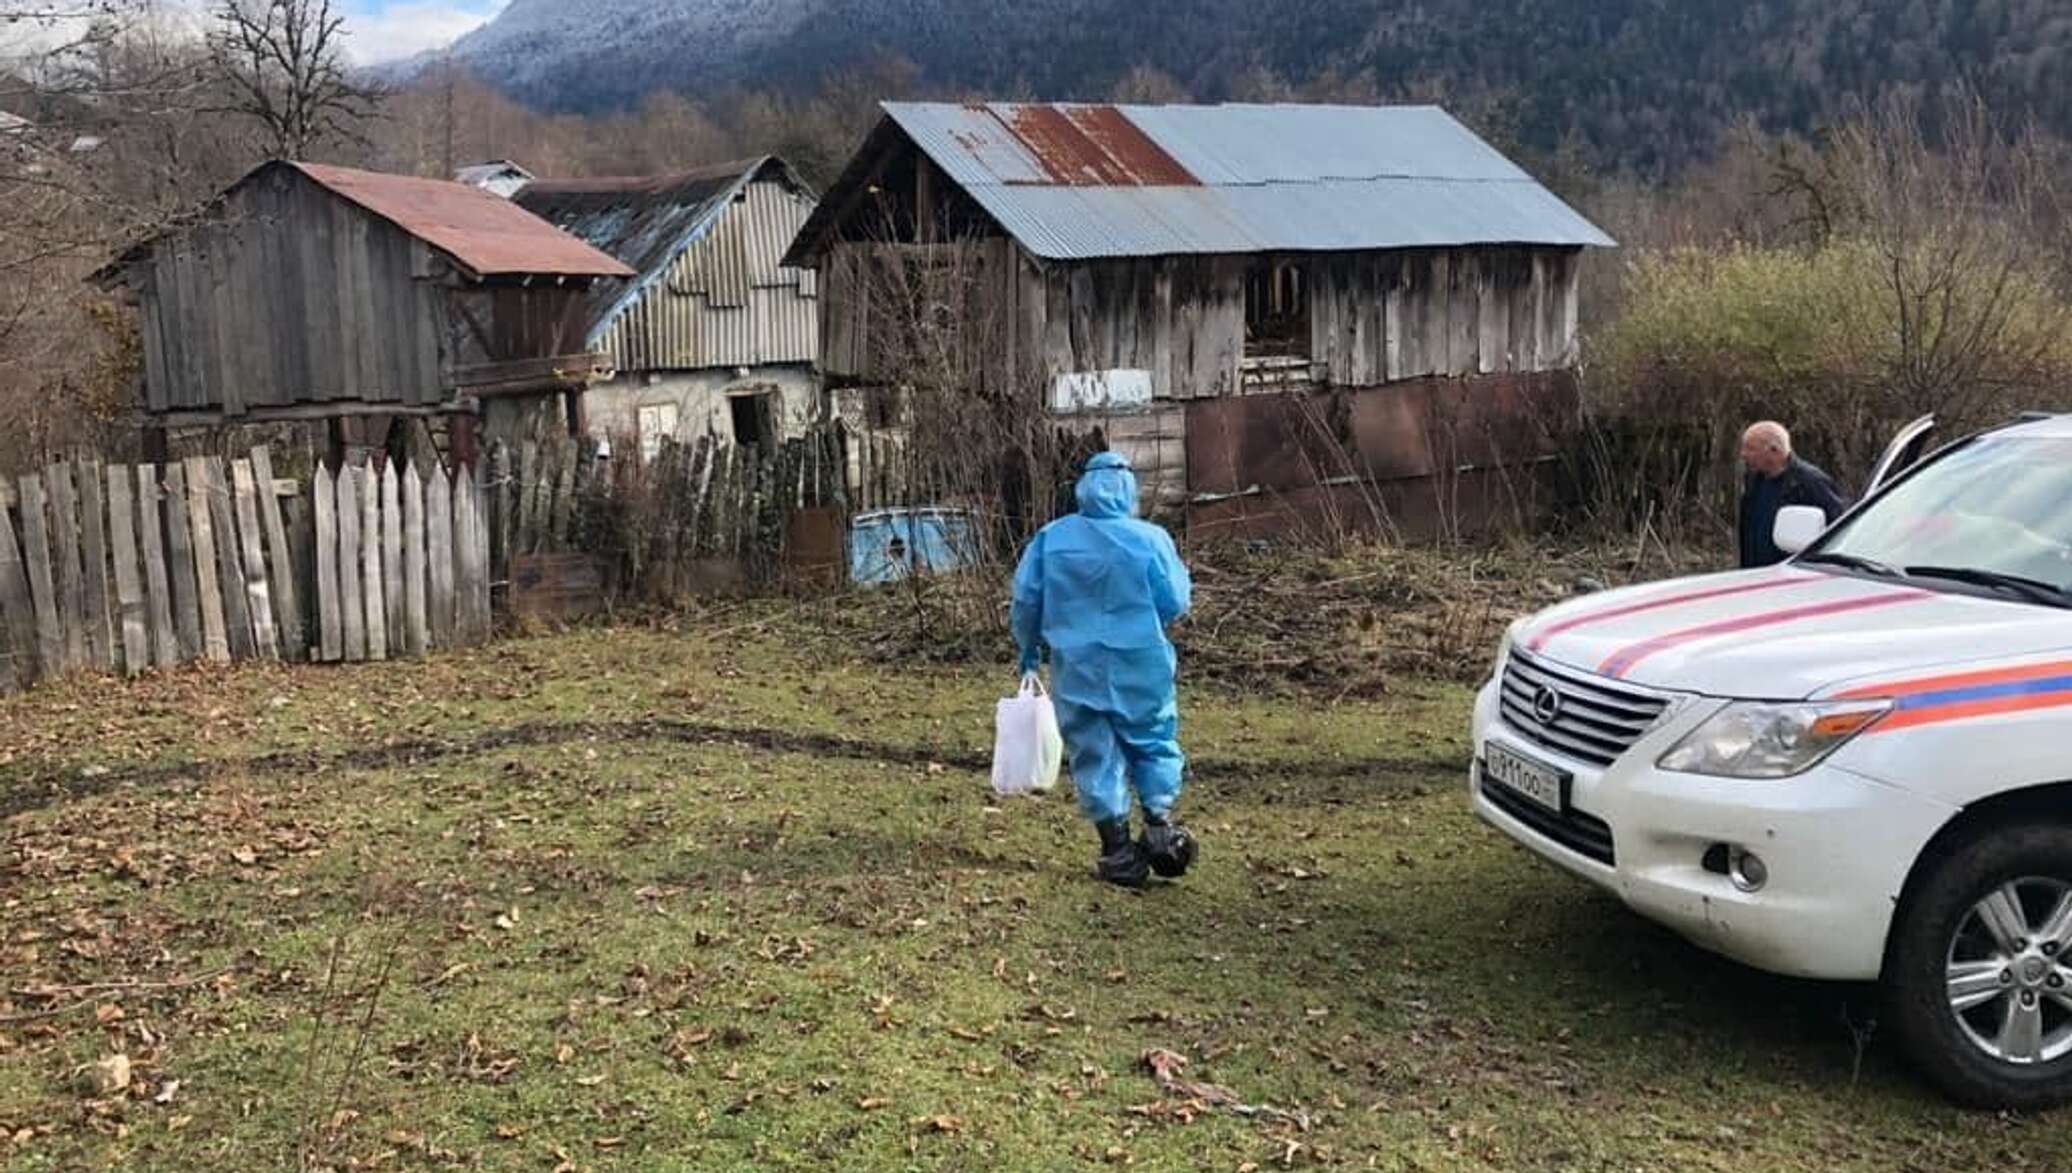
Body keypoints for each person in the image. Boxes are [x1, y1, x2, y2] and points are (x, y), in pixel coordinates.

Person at [1011, 452, 1195, 889]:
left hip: (1077, 666)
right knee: (1153, 738)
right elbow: (1174, 601)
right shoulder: (1150, 539)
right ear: (1130, 490)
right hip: (1141, 660)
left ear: (1082, 488)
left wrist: (1028, 649)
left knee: (1094, 750)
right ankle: (1160, 825)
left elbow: (1026, 600)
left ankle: (1116, 849)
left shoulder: (1051, 539)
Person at [1737, 421, 1850, 568]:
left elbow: (1839, 527)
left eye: (1751, 449)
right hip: (1758, 573)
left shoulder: (1811, 482)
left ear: (1774, 450)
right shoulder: (1754, 481)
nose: (1743, 455)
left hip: (1793, 574)